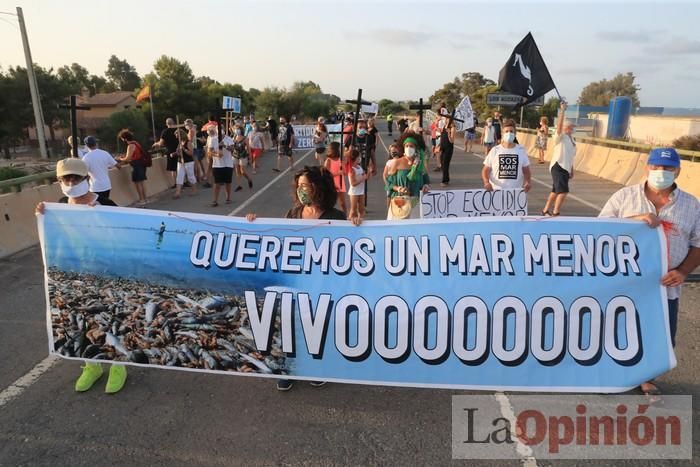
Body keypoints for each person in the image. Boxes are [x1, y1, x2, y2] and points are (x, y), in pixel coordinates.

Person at [245, 165, 361, 391]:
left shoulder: (335, 217)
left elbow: (349, 249)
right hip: (294, 282)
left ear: (318, 187)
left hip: (321, 284)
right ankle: (290, 368)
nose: (301, 191)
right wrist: (253, 223)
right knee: (290, 325)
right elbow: (276, 239)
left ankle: (315, 366)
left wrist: (355, 224)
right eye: (298, 187)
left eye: (305, 186)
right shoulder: (294, 214)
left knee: (317, 326)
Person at [599, 147, 700, 398]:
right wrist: (634, 220)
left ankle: (646, 378)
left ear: (678, 170)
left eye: (668, 168)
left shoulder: (690, 204)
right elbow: (599, 230)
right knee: (618, 329)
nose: (661, 172)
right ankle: (614, 375)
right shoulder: (624, 197)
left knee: (660, 335)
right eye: (656, 167)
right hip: (625, 284)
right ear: (647, 168)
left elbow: (698, 243)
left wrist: (683, 271)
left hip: (665, 286)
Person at [35, 158, 127, 394]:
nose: (71, 182)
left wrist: (102, 218)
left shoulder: (107, 204)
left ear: (87, 179)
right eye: (66, 178)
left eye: (76, 178)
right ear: (59, 181)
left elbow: (124, 238)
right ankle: (91, 365)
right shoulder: (59, 206)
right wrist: (43, 217)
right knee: (80, 321)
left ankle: (118, 365)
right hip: (74, 277)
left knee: (109, 320)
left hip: (106, 276)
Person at [385, 131, 431, 220]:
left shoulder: (420, 165)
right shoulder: (397, 162)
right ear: (403, 148)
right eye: (406, 146)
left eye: (411, 146)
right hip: (400, 203)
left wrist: (425, 186)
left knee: (414, 230)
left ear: (416, 148)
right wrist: (399, 188)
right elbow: (389, 183)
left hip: (415, 203)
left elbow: (426, 181)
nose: (409, 148)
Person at [481, 119, 531, 194]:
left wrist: (528, 182)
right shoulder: (495, 150)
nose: (509, 133)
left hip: (515, 193)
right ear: (502, 133)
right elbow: (485, 170)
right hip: (496, 192)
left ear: (515, 133)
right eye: (506, 131)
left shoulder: (521, 150)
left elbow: (526, 170)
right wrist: (486, 182)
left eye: (511, 131)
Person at [542, 104, 575, 216]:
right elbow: (559, 126)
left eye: (572, 127)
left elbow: (570, 155)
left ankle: (545, 210)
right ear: (566, 128)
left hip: (566, 167)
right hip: (558, 166)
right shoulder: (560, 137)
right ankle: (556, 212)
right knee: (563, 191)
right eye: (570, 127)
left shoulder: (572, 140)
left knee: (555, 190)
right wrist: (562, 111)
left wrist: (571, 169)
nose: (572, 129)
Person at [116, 129, 148, 206]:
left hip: (136, 165)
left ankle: (141, 200)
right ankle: (145, 199)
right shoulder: (136, 143)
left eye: (122, 139)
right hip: (141, 164)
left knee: (137, 183)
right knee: (142, 183)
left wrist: (119, 159)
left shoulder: (130, 146)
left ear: (125, 138)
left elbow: (127, 158)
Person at [210, 126, 233, 206]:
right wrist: (216, 155)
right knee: (217, 183)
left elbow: (232, 149)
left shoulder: (228, 139)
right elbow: (209, 152)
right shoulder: (213, 139)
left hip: (228, 164)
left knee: (228, 182)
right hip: (217, 165)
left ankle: (228, 198)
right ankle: (215, 200)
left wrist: (224, 146)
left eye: (221, 129)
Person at [153, 118, 179, 188]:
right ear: (173, 123)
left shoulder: (165, 132)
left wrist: (156, 144)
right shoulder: (178, 130)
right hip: (179, 150)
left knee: (173, 169)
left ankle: (176, 183)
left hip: (171, 151)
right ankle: (184, 182)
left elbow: (161, 144)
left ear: (166, 124)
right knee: (180, 167)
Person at [323, 141, 347, 214]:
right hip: (331, 184)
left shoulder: (340, 159)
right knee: (330, 201)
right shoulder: (328, 160)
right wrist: (338, 173)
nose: (341, 149)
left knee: (342, 202)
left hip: (340, 183)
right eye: (340, 148)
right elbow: (325, 174)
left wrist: (343, 165)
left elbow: (345, 173)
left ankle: (345, 216)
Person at [173, 129, 197, 199]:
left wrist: (183, 149)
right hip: (180, 162)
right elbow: (178, 152)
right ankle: (177, 193)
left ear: (181, 135)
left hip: (188, 162)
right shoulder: (180, 143)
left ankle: (194, 190)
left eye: (177, 135)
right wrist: (175, 153)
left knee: (190, 176)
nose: (176, 136)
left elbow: (191, 153)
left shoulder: (188, 142)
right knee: (179, 177)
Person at [230, 125, 253, 192]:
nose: (236, 130)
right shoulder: (234, 138)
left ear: (241, 130)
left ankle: (249, 179)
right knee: (237, 171)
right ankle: (239, 185)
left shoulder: (245, 138)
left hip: (243, 155)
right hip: (235, 155)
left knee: (242, 171)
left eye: (237, 129)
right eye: (235, 129)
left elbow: (248, 148)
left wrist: (250, 157)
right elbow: (231, 146)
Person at [347, 149, 367, 220]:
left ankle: (360, 221)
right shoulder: (351, 170)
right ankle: (348, 224)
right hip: (354, 192)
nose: (360, 158)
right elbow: (353, 183)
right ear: (355, 158)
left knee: (361, 210)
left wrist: (369, 172)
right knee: (353, 211)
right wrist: (362, 178)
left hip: (361, 191)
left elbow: (365, 177)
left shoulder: (359, 167)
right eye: (359, 157)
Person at [437, 117, 456, 186]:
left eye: (447, 119)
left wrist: (448, 133)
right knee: (442, 163)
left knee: (445, 164)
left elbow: (452, 141)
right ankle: (446, 178)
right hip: (443, 147)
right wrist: (439, 146)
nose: (445, 120)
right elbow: (441, 136)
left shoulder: (452, 128)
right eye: (445, 119)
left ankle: (445, 181)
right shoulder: (444, 127)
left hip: (448, 148)